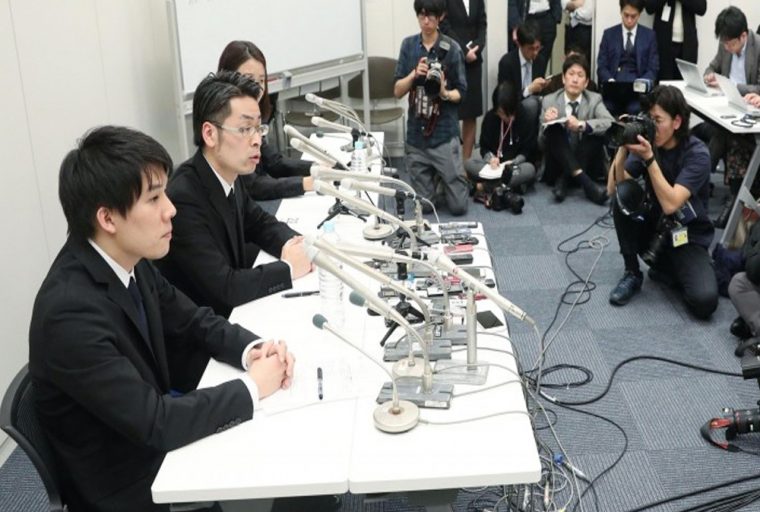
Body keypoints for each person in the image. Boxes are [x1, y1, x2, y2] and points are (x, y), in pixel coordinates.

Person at [29, 125, 294, 512]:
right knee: (276, 455)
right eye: (154, 198)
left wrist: (253, 349)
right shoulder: (69, 314)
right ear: (108, 218)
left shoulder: (128, 258)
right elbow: (156, 422)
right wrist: (253, 387)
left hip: (148, 443)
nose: (171, 210)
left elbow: (193, 320)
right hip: (127, 487)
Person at [156, 71, 311, 338]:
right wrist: (287, 269)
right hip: (202, 337)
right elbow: (224, 287)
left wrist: (293, 243)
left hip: (232, 316)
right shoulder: (184, 197)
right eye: (244, 129)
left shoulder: (228, 173)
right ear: (210, 134)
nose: (257, 140)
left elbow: (259, 222)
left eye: (258, 128)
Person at [607, 85, 717, 319]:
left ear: (677, 122)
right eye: (649, 119)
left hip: (687, 236)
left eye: (658, 120)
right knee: (624, 193)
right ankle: (632, 273)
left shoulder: (697, 154)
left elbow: (671, 204)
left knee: (704, 302)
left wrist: (649, 159)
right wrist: (623, 147)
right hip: (653, 228)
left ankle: (669, 270)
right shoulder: (649, 144)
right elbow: (613, 187)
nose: (652, 126)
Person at [394, 0, 469, 216]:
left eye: (431, 16)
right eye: (422, 15)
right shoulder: (408, 45)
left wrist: (444, 92)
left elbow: (462, 93)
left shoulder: (452, 49)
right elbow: (397, 91)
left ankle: (445, 178)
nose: (426, 21)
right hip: (417, 136)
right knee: (425, 207)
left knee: (459, 207)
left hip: (443, 135)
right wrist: (413, 74)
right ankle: (436, 178)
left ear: (441, 16)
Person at [217, 40, 315, 200]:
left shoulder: (251, 117)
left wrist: (318, 169)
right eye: (248, 79)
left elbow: (274, 163)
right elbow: (253, 186)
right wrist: (307, 183)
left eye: (261, 81)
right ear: (228, 79)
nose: (258, 88)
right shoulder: (225, 125)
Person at [702, 6, 760, 228]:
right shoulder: (725, 43)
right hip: (728, 109)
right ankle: (728, 195)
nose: (726, 47)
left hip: (749, 114)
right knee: (717, 131)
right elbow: (712, 67)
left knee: (726, 136)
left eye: (730, 43)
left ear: (743, 36)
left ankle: (723, 193)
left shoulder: (758, 47)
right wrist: (709, 75)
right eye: (724, 43)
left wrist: (734, 87)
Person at [540, 54, 612, 204]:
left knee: (593, 132)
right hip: (556, 166)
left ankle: (564, 181)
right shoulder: (549, 100)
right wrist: (546, 122)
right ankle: (587, 185)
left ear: (586, 83)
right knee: (553, 129)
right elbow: (540, 143)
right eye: (571, 74)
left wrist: (582, 125)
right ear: (563, 79)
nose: (575, 79)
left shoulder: (594, 99)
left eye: (580, 75)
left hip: (586, 163)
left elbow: (611, 123)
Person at [464, 81, 537, 195]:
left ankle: (483, 186)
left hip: (515, 166)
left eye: (510, 113)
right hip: (494, 166)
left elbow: (527, 151)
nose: (507, 118)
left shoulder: (524, 117)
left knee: (530, 169)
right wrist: (491, 159)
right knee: (469, 163)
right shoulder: (490, 118)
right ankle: (509, 186)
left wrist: (514, 162)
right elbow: (484, 147)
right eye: (502, 113)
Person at [440, 0, 487, 160]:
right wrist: (464, 50)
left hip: (474, 60)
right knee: (451, 112)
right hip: (452, 59)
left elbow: (482, 24)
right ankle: (451, 162)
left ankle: (466, 163)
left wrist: (477, 47)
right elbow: (445, 27)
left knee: (471, 114)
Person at [597, 0, 659, 117]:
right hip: (614, 89)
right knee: (606, 108)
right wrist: (610, 81)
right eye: (626, 15)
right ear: (621, 12)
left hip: (638, 91)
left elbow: (653, 68)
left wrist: (642, 83)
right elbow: (602, 66)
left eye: (633, 16)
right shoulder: (609, 34)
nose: (629, 20)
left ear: (639, 14)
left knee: (636, 109)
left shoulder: (649, 36)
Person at [645, 0, 706, 81]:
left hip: (687, 46)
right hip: (662, 45)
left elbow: (701, 8)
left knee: (685, 83)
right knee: (664, 83)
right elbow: (649, 7)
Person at [507, 0, 561, 76]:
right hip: (525, 17)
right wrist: (515, 25)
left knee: (541, 65)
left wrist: (556, 15)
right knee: (520, 65)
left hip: (547, 17)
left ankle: (538, 82)